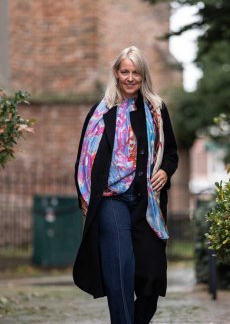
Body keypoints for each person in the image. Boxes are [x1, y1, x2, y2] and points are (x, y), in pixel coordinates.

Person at [73, 46, 178, 324]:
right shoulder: (100, 112)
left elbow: (171, 154)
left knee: (152, 277)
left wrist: (166, 171)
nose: (130, 78)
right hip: (111, 199)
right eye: (125, 72)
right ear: (116, 75)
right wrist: (87, 196)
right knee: (120, 270)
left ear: (143, 76)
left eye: (136, 72)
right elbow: (84, 159)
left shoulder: (157, 109)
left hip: (148, 201)